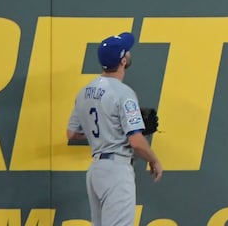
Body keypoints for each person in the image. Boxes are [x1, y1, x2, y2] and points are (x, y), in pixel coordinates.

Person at [66, 32, 163, 226]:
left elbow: (72, 133)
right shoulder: (124, 93)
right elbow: (135, 142)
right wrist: (154, 160)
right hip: (116, 170)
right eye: (127, 51)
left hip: (96, 171)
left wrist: (109, 127)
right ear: (123, 60)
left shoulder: (85, 91)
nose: (129, 53)